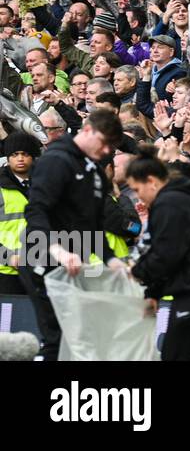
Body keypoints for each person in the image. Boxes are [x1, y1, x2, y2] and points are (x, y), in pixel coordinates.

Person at [20, 109, 129, 360]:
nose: (105, 151)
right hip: (41, 255)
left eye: (111, 147)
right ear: (87, 130)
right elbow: (36, 210)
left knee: (77, 334)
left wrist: (112, 260)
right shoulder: (56, 160)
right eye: (103, 143)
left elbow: (92, 225)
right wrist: (57, 249)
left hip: (71, 262)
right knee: (58, 337)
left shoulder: (96, 173)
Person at [123, 147, 190, 361]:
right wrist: (154, 293)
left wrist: (136, 271)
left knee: (176, 356)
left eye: (138, 190)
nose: (138, 197)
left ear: (151, 182)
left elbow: (165, 254)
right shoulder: (178, 200)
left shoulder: (170, 203)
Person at [0, 132, 40, 296]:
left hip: (39, 267)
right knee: (7, 320)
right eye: (15, 154)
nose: (20, 159)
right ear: (8, 158)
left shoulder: (45, 186)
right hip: (7, 271)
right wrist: (8, 257)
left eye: (25, 154)